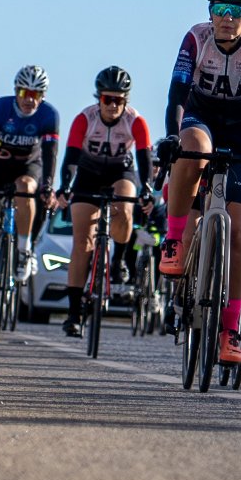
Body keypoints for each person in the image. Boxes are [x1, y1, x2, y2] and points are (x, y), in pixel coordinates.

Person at [162, 0, 241, 367]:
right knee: (195, 149)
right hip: (201, 116)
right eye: (220, 9)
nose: (227, 18)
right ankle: (174, 239)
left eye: (236, 11)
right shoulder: (196, 37)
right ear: (210, 11)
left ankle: (232, 326)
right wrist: (173, 133)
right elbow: (177, 89)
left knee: (240, 230)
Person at [55, 67, 154, 338]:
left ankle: (119, 259)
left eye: (118, 100)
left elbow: (145, 160)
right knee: (81, 242)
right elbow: (71, 158)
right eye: (106, 99)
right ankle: (74, 313)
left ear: (126, 101)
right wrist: (65, 185)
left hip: (120, 172)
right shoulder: (84, 119)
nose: (112, 105)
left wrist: (146, 189)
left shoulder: (135, 121)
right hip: (87, 175)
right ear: (98, 98)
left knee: (125, 210)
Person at [0, 66, 60, 325]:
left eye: (36, 94)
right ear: (15, 91)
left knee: (26, 186)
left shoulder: (48, 115)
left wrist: (48, 185)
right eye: (24, 92)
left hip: (28, 166)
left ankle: (24, 249)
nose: (29, 99)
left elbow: (51, 154)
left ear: (43, 96)